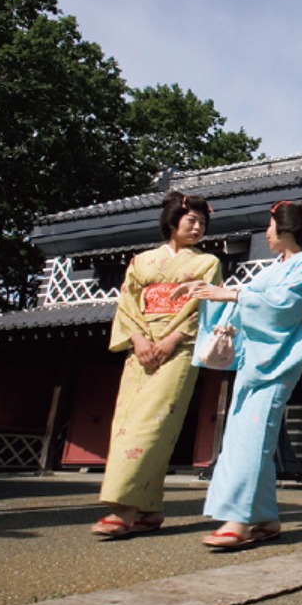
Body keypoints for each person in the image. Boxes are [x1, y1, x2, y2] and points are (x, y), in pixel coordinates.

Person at [175, 199, 302, 548]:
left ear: (286, 230)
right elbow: (248, 302)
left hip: (279, 358)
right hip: (256, 358)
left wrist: (229, 293)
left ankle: (238, 519)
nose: (267, 234)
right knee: (245, 436)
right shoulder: (277, 266)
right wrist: (205, 293)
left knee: (255, 437)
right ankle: (266, 518)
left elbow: (281, 307)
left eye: (270, 227)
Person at [91, 192, 221, 538]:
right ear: (172, 221)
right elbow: (129, 304)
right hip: (141, 347)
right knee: (126, 422)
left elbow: (206, 308)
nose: (198, 227)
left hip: (176, 349)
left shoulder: (207, 264)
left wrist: (172, 338)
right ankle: (149, 508)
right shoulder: (141, 261)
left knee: (152, 426)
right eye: (191, 220)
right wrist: (138, 340)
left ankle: (124, 509)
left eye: (203, 223)